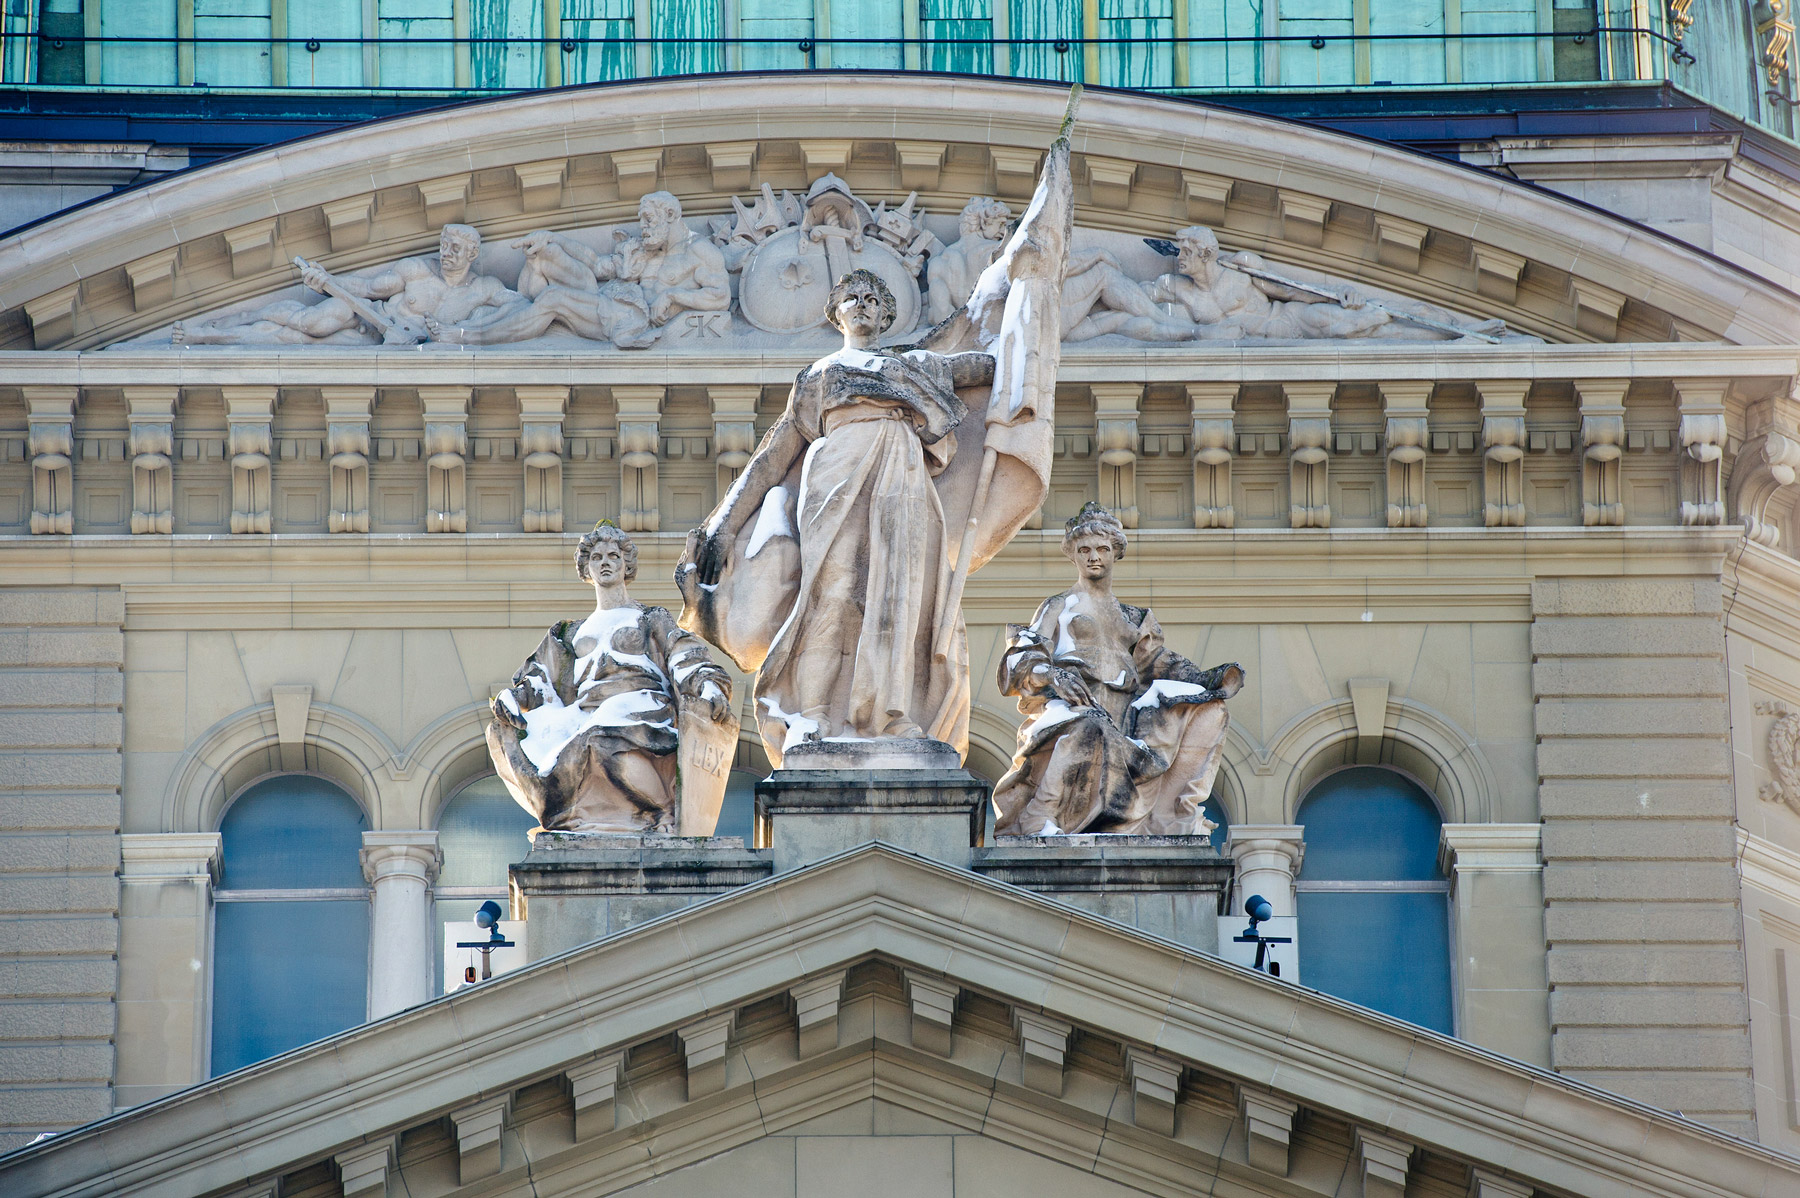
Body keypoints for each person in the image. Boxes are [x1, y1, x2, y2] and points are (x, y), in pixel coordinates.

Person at [680, 269, 994, 760]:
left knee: (897, 597)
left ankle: (890, 716)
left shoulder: (912, 366)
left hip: (902, 483)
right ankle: (815, 714)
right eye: (851, 298)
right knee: (831, 595)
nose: (862, 305)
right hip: (836, 480)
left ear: (886, 314)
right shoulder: (820, 375)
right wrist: (721, 525)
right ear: (836, 313)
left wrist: (1028, 318)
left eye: (872, 298)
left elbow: (980, 367)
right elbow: (771, 459)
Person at [992, 502, 1244, 836]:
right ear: (1073, 555)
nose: (1093, 557)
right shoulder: (1059, 605)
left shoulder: (1133, 618)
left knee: (1212, 710)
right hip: (1075, 706)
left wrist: (1209, 680)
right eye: (1084, 550)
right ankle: (1040, 815)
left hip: (1125, 715)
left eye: (1101, 549)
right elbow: (1022, 658)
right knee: (1087, 725)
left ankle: (1174, 814)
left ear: (1115, 554)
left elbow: (1159, 664)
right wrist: (1054, 675)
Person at [486, 523, 734, 834]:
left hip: (641, 708)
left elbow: (683, 654)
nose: (605, 562)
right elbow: (538, 678)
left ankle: (660, 813)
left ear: (626, 565)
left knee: (601, 740)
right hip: (585, 715)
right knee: (518, 737)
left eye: (614, 556)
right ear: (586, 569)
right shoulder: (568, 634)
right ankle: (581, 816)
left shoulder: (647, 618)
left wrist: (706, 684)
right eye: (597, 557)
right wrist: (516, 697)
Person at [438, 191, 728, 347]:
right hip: (611, 304)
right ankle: (477, 329)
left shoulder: (699, 251)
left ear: (671, 215)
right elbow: (595, 263)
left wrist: (674, 295)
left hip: (630, 319)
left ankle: (469, 336)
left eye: (649, 220)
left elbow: (720, 296)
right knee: (546, 256)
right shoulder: (645, 250)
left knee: (553, 299)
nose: (644, 228)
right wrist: (553, 238)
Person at [172, 224, 520, 345]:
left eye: (455, 249)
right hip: (365, 316)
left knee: (290, 339)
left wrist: (470, 330)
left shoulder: (484, 289)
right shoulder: (416, 270)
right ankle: (220, 325)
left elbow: (519, 309)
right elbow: (369, 289)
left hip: (381, 341)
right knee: (310, 323)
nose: (446, 254)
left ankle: (211, 336)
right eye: (444, 245)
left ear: (472, 253)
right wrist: (328, 281)